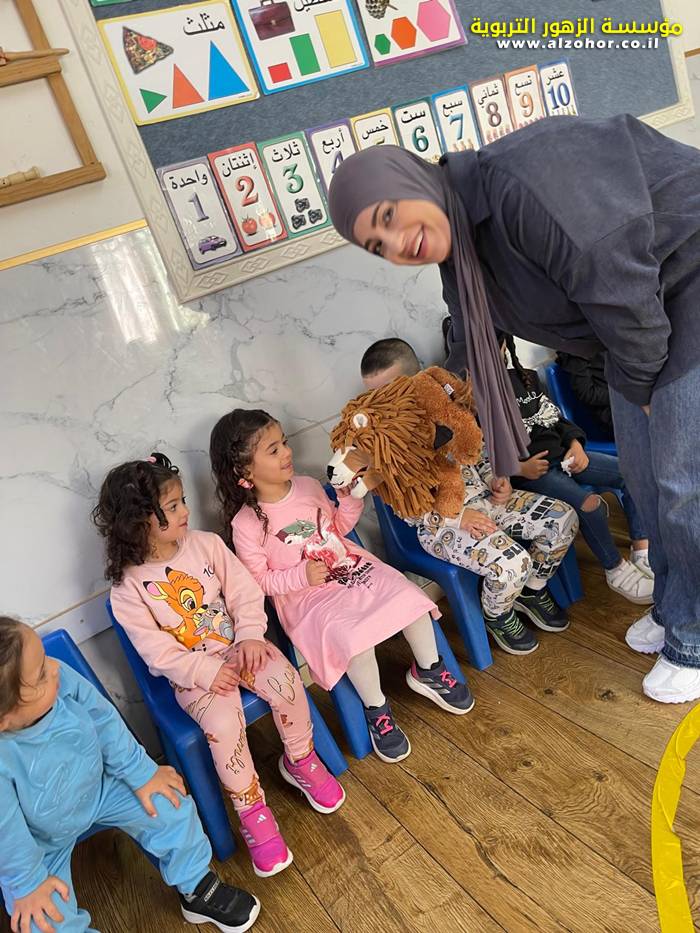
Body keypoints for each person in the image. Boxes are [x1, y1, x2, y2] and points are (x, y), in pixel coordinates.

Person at [328, 115, 700, 703]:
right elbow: (466, 354)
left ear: (413, 180)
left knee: (683, 483)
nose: (397, 245)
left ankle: (694, 638)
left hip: (681, 290)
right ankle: (676, 606)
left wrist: (650, 393)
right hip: (636, 328)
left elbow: (622, 289)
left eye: (389, 216)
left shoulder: (521, 185)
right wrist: (399, 428)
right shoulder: (463, 251)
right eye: (378, 246)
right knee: (647, 477)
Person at [93, 454, 344, 880]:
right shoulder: (128, 589)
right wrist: (204, 673)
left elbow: (245, 592)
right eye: (172, 506)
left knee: (286, 681)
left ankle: (301, 760)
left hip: (241, 647)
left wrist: (250, 635)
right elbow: (157, 653)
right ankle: (252, 811)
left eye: (182, 501)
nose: (185, 511)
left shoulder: (207, 544)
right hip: (192, 676)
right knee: (225, 725)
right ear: (138, 522)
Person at [209, 409, 473, 766]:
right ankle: (376, 709)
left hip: (349, 566)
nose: (287, 452)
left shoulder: (307, 485)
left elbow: (337, 528)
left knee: (408, 597)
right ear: (244, 471)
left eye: (283, 442)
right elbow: (259, 581)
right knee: (351, 638)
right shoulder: (246, 524)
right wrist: (301, 576)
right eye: (273, 450)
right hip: (307, 598)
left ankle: (429, 670)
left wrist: (348, 499)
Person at [0, 616, 260, 933]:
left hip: (102, 786)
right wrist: (26, 882)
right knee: (39, 920)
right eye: (40, 674)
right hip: (38, 839)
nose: (54, 668)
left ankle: (196, 885)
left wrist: (141, 774)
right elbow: (6, 831)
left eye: (45, 658)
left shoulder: (62, 678)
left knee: (171, 804)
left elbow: (105, 721)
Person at [357, 339, 579, 657]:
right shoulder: (386, 443)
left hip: (487, 500)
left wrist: (496, 479)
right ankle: (497, 614)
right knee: (513, 562)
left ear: (419, 378)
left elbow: (477, 454)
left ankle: (532, 590)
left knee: (562, 518)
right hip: (440, 526)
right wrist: (458, 518)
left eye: (392, 391)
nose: (384, 403)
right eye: (375, 396)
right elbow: (408, 508)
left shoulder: (448, 411)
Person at [500, 332, 654, 601]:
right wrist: (520, 470)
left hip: (565, 457)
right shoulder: (474, 399)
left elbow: (557, 420)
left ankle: (641, 549)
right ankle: (615, 569)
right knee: (590, 504)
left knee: (632, 473)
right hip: (535, 473)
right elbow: (483, 456)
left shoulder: (526, 379)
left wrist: (575, 444)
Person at [556, 350, 614, 438]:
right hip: (610, 412)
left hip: (625, 403)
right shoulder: (576, 353)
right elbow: (587, 394)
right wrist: (620, 397)